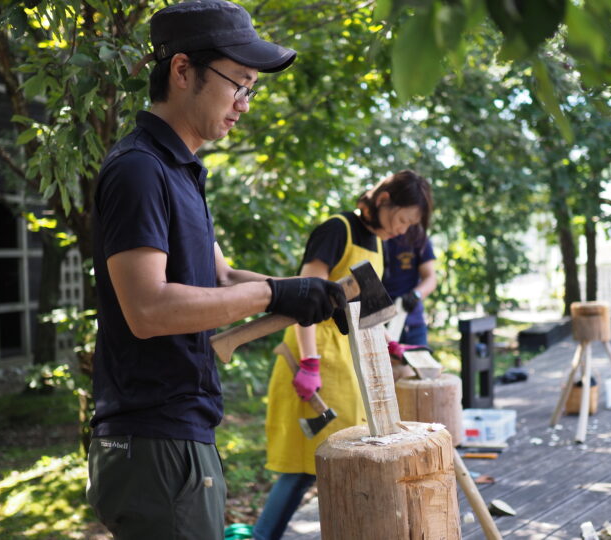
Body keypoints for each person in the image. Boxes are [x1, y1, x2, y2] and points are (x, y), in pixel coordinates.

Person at [86, 2, 347, 539]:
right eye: (239, 84)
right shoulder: (139, 170)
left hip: (176, 436)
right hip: (153, 437)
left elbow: (223, 279)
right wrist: (276, 294)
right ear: (183, 71)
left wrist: (311, 292)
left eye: (252, 89)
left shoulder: (181, 170)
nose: (244, 105)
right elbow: (149, 309)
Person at [253, 170, 433, 540]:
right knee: (304, 465)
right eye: (402, 220)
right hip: (313, 353)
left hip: (347, 359)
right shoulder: (336, 230)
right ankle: (261, 537)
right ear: (383, 201)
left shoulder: (377, 242)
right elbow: (303, 297)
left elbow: (365, 308)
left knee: (346, 455)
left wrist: (388, 342)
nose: (402, 230)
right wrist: (308, 362)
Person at [383, 233, 437, 346]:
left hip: (413, 324)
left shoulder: (417, 236)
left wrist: (416, 294)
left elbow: (430, 278)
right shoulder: (375, 237)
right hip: (381, 324)